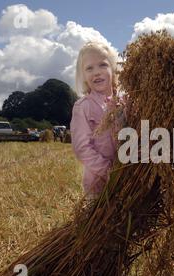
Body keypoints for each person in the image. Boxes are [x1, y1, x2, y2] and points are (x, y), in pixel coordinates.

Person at [70, 41, 119, 198]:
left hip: (126, 179)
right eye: (89, 68)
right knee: (102, 220)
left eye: (102, 65)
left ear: (113, 69)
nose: (96, 72)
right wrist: (109, 172)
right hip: (97, 184)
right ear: (83, 76)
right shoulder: (83, 106)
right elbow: (82, 148)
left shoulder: (125, 102)